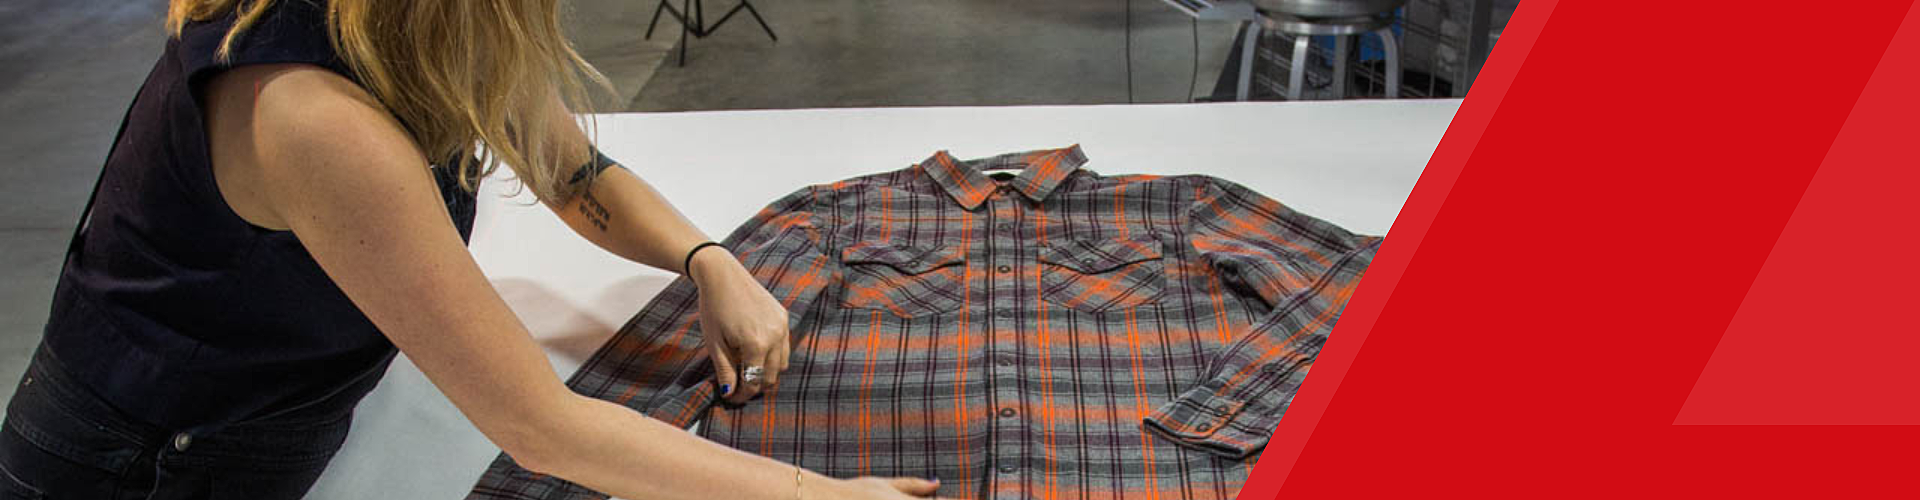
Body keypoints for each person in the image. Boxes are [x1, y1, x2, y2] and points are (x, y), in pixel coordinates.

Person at [0, 1, 942, 499]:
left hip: (264, 403)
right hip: (149, 462)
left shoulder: (405, 27)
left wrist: (709, 261)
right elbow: (540, 429)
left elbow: (573, 172)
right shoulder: (308, 111)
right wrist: (812, 495)